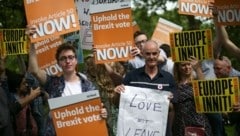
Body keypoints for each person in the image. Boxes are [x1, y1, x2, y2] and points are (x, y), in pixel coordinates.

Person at [26, 26, 107, 135]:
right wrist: (32, 41)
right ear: (59, 63)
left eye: (70, 57)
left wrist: (102, 113)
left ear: (76, 60)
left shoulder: (88, 86)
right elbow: (34, 70)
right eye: (63, 58)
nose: (67, 61)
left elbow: (97, 113)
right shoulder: (53, 83)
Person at [114, 40, 177, 136]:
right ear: (142, 54)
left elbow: (173, 108)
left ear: (159, 54)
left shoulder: (168, 78)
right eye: (148, 54)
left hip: (159, 132)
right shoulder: (131, 76)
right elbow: (118, 105)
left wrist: (168, 102)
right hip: (135, 131)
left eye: (154, 53)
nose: (151, 57)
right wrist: (117, 93)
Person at [84, 54, 125, 136]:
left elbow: (121, 80)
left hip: (116, 96)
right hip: (101, 96)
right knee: (104, 123)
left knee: (117, 124)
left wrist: (104, 63)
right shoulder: (91, 60)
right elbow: (88, 79)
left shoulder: (117, 59)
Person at [172, 57, 212, 136]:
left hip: (198, 122)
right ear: (177, 67)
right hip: (180, 123)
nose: (187, 67)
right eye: (183, 65)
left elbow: (206, 91)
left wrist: (198, 68)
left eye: (189, 64)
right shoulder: (173, 85)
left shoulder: (197, 81)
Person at [213, 56, 240, 135]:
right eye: (214, 68)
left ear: (228, 68)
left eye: (218, 69)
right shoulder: (214, 83)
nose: (215, 72)